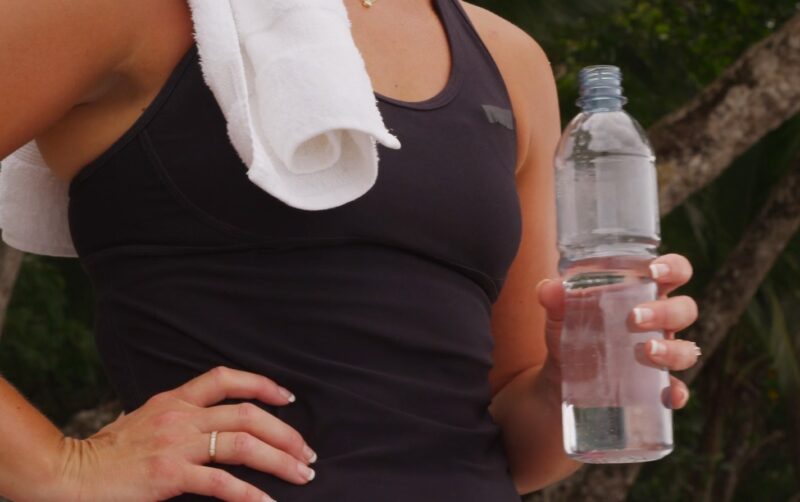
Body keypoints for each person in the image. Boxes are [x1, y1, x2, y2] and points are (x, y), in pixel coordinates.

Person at [0, 0, 700, 500]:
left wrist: (571, 381)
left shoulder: (509, 62)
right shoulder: (128, 11)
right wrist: (58, 470)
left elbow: (520, 442)